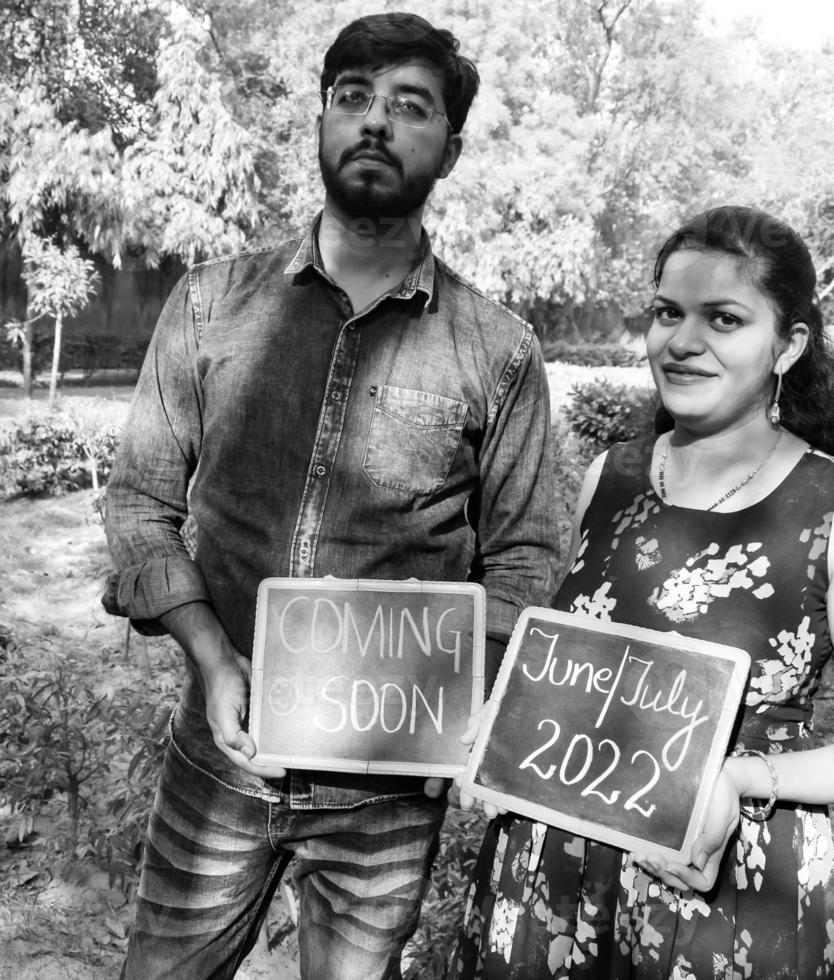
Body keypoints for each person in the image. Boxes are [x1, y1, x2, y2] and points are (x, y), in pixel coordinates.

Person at [102, 12, 560, 979]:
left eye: (410, 107)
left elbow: (524, 556)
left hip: (388, 795)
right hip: (220, 755)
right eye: (353, 98)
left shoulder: (500, 349)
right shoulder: (208, 304)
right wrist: (211, 656)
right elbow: (141, 502)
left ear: (451, 146)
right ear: (320, 119)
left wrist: (460, 693)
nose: (376, 125)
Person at [449, 205, 834, 979]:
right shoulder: (615, 475)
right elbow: (581, 671)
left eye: (725, 318)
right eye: (668, 313)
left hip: (723, 896)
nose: (683, 341)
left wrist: (738, 778)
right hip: (550, 881)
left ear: (789, 346)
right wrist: (504, 728)